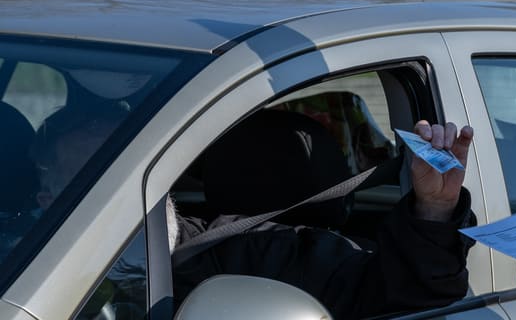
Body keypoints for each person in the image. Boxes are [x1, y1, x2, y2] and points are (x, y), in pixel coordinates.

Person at [31, 103, 476, 319]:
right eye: (52, 179)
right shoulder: (19, 260)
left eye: (95, 179)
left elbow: (416, 310)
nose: (56, 198)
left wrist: (435, 210)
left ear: (157, 176)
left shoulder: (264, 253)